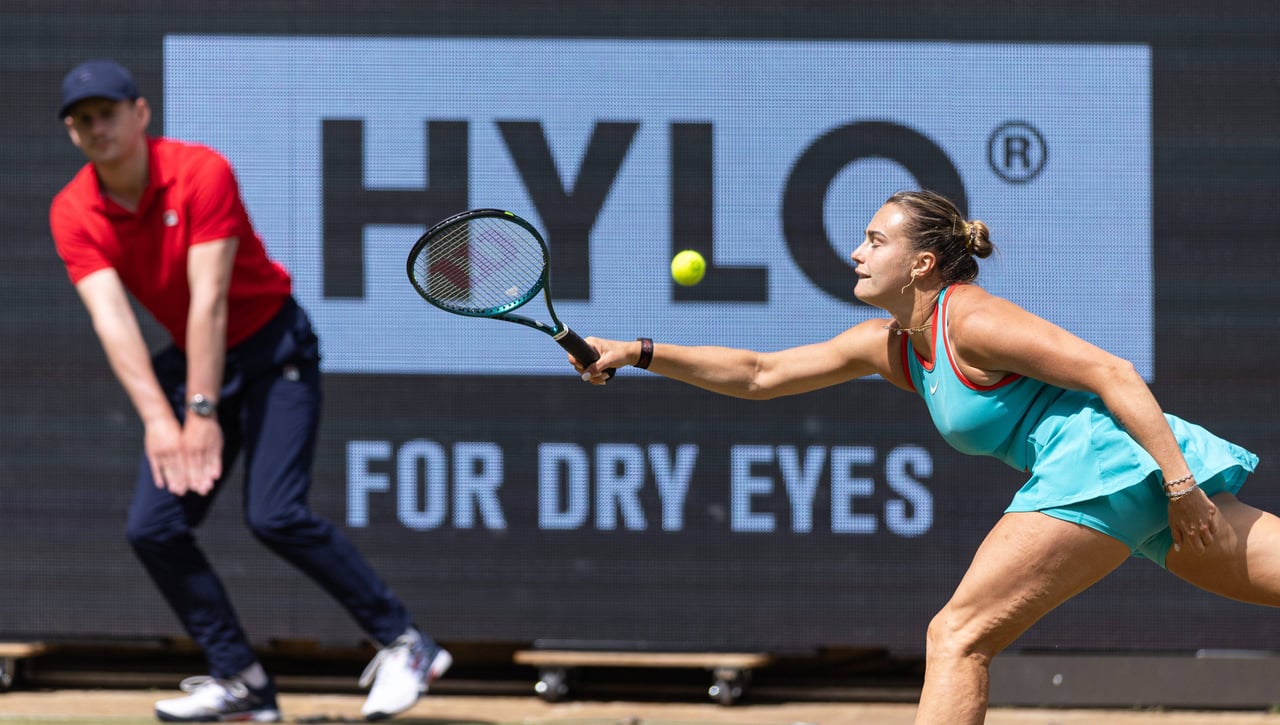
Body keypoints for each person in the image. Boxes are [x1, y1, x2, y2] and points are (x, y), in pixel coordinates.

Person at [573, 189, 1280, 724]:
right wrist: (638, 352)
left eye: (874, 239)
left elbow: (1115, 372)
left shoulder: (971, 318)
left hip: (1106, 464)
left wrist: (1183, 487)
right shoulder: (894, 345)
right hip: (1131, 474)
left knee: (957, 633)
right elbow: (761, 372)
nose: (856, 251)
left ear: (921, 262)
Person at [49, 59, 450, 723]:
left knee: (275, 513)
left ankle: (408, 643)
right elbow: (112, 320)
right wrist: (160, 419)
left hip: (273, 349)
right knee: (154, 526)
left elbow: (209, 300)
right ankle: (241, 679)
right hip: (193, 361)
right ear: (72, 133)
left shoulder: (202, 172)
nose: (98, 128)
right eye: (82, 120)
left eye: (108, 113)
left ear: (140, 113)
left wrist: (200, 411)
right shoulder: (74, 210)